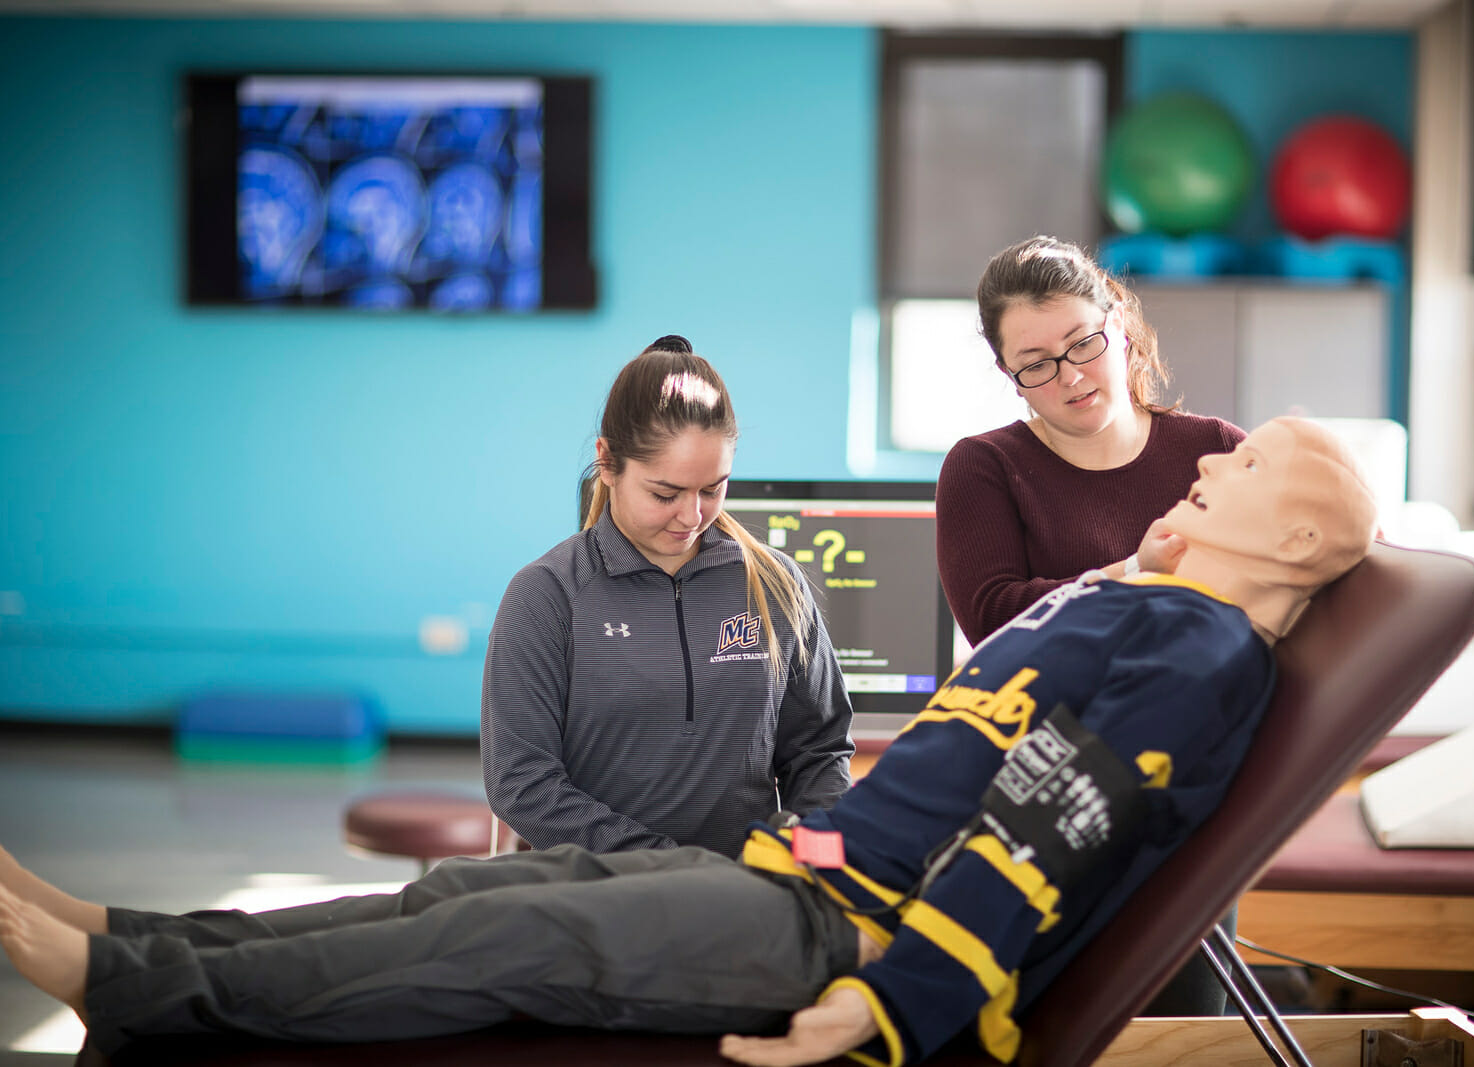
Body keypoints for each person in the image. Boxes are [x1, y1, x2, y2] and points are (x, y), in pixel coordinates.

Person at [0, 418, 1377, 1067]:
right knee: (483, 886)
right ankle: (128, 931)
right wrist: (1144, 560)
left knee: (513, 943)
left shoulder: (1199, 653)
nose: (1207, 465)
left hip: (857, 937)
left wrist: (898, 1001)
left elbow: (1042, 836)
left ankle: (127, 982)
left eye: (1246, 470)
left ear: (1301, 541)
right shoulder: (1158, 610)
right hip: (810, 873)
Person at [481, 335, 854, 858]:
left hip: (747, 898)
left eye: (712, 488)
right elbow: (522, 786)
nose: (693, 516)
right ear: (607, 463)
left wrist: (806, 853)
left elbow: (819, 750)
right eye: (665, 493)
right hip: (599, 904)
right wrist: (667, 870)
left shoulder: (774, 585)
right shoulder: (548, 595)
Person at [937, 235, 1247, 647]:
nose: (1071, 377)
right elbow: (993, 620)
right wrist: (1137, 571)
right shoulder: (984, 466)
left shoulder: (1216, 449)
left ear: (1117, 326)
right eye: (1036, 364)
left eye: (1082, 344)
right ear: (1008, 374)